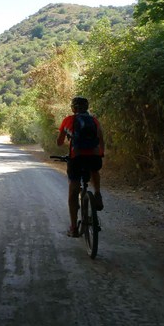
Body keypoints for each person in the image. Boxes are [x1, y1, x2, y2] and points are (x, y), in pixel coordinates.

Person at [57, 96, 105, 238]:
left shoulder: (68, 120)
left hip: (76, 158)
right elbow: (101, 139)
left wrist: (68, 138)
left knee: (73, 191)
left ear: (73, 108)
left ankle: (73, 228)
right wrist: (100, 153)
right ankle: (97, 193)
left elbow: (59, 143)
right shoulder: (94, 121)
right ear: (87, 107)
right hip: (94, 157)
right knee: (94, 169)